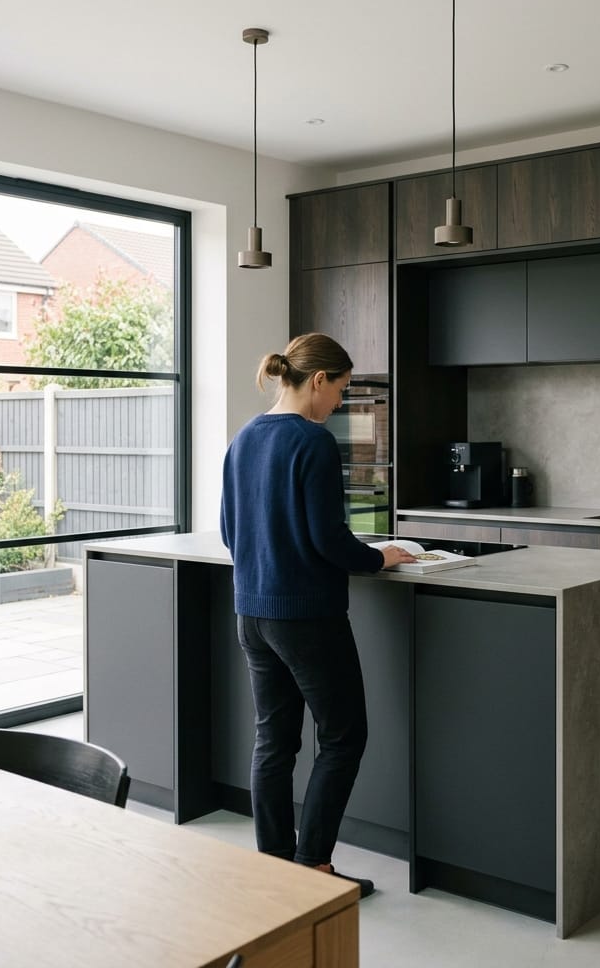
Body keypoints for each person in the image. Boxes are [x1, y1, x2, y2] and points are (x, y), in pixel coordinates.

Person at [220, 332, 416, 898]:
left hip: (251, 611)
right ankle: (312, 867)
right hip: (306, 615)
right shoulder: (311, 442)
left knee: (274, 741)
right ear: (318, 380)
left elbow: (234, 532)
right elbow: (330, 539)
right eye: (340, 393)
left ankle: (275, 865)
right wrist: (380, 557)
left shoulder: (244, 438)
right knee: (344, 735)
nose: (338, 406)